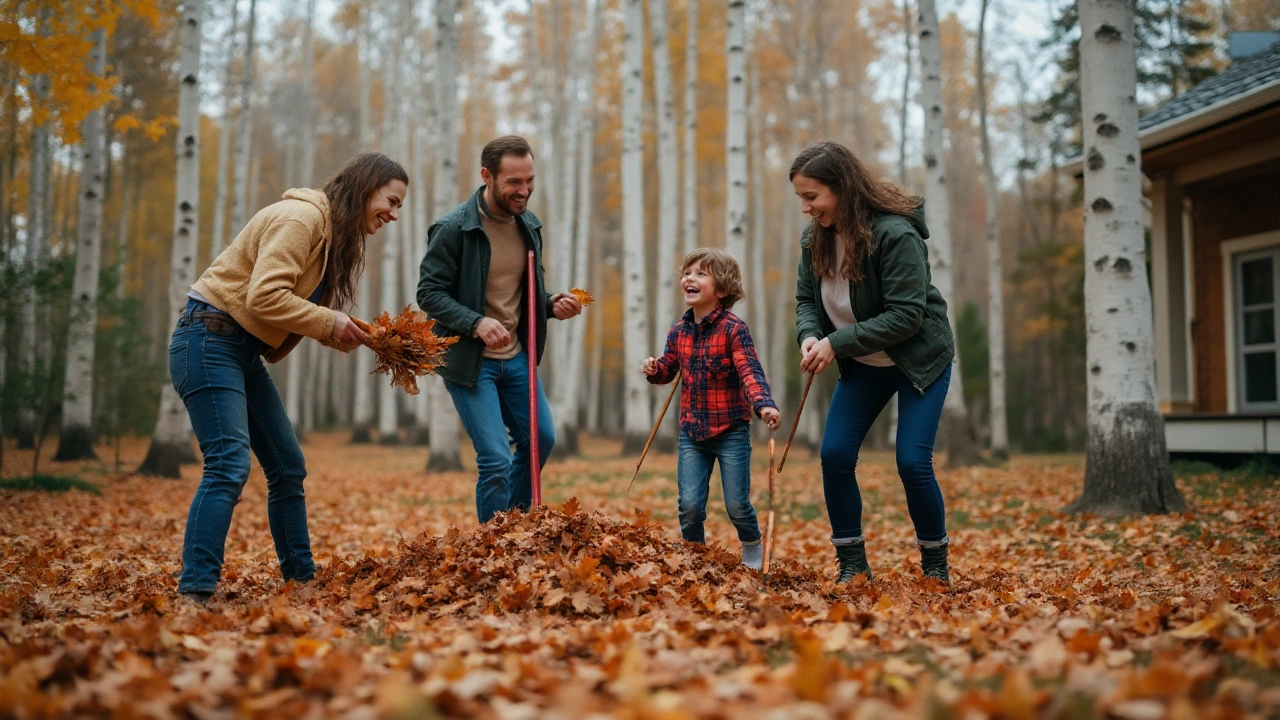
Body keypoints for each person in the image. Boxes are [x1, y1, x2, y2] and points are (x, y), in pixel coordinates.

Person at [171, 152, 409, 602]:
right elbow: (265, 297)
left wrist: (351, 333)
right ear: (366, 187)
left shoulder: (329, 235)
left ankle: (301, 584)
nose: (393, 214)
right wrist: (329, 321)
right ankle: (195, 592)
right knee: (228, 464)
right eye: (391, 201)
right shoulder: (302, 219)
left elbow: (292, 311)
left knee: (287, 466)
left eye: (398, 207)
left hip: (238, 348)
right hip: (207, 340)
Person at [790, 140, 956, 585]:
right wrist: (810, 335)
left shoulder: (894, 235)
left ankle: (935, 567)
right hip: (864, 363)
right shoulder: (815, 238)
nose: (806, 208)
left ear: (842, 188)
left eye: (812, 197)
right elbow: (807, 299)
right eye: (801, 198)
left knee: (911, 462)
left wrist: (836, 341)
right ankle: (852, 565)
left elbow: (906, 316)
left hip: (918, 358)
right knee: (835, 455)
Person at [417, 136, 582, 524]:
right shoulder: (454, 228)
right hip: (472, 363)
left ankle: (516, 527)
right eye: (513, 182)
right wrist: (475, 322)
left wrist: (551, 304)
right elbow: (429, 293)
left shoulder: (529, 226)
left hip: (518, 358)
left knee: (541, 440)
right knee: (494, 459)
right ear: (487, 176)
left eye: (529, 180)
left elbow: (522, 294)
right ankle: (492, 549)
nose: (523, 190)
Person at [643, 248, 781, 570]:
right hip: (692, 432)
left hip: (730, 430)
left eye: (701, 273)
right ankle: (695, 557)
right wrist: (654, 370)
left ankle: (751, 546)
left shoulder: (734, 330)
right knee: (689, 505)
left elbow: (750, 372)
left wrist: (764, 406)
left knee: (736, 504)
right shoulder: (679, 331)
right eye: (687, 272)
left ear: (721, 290)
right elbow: (668, 369)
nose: (690, 278)